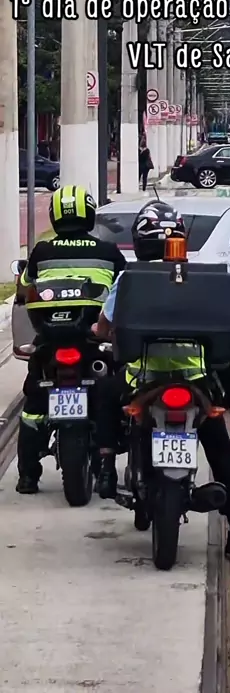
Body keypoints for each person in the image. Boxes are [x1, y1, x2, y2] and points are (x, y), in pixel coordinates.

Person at [93, 201, 230, 559]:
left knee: (104, 393)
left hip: (141, 382)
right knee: (220, 447)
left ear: (140, 242)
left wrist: (100, 333)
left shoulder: (129, 279)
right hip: (195, 384)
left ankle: (107, 467)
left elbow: (104, 327)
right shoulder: (197, 279)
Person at [16, 185, 126, 494]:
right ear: (89, 214)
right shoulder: (108, 251)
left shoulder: (41, 252)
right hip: (93, 340)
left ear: (55, 216)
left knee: (34, 402)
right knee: (115, 391)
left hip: (50, 341)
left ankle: (28, 477)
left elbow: (23, 289)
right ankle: (111, 462)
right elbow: (127, 289)